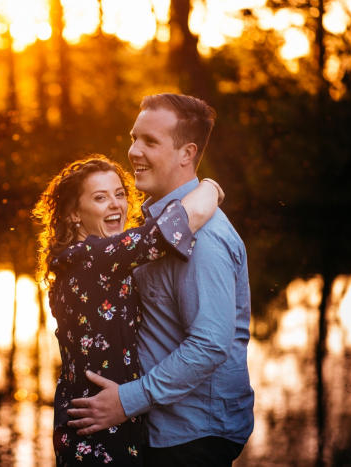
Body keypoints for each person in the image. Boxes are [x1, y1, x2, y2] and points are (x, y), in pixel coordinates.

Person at [66, 94, 254, 467]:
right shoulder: (156, 226)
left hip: (192, 437)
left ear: (187, 153)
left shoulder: (204, 240)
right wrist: (211, 188)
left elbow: (211, 344)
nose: (133, 150)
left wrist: (128, 399)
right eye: (134, 137)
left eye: (150, 141)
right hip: (161, 430)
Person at [33, 155, 224, 466]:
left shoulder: (76, 260)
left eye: (119, 194)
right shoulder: (94, 257)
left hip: (90, 419)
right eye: (100, 197)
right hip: (97, 431)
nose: (115, 205)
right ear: (73, 215)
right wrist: (212, 187)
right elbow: (184, 220)